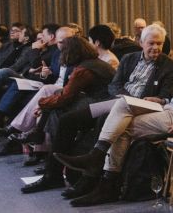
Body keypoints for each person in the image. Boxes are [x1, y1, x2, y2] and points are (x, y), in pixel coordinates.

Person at [56, 32, 173, 206]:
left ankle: (104, 176)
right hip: (168, 108)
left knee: (122, 127)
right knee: (123, 103)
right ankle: (102, 168)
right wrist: (163, 101)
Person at [20, 37, 115, 193]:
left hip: (103, 107)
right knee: (57, 109)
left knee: (62, 116)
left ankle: (52, 172)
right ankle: (51, 166)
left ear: (70, 52)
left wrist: (42, 104)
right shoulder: (95, 64)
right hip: (104, 104)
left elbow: (66, 97)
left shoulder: (83, 70)